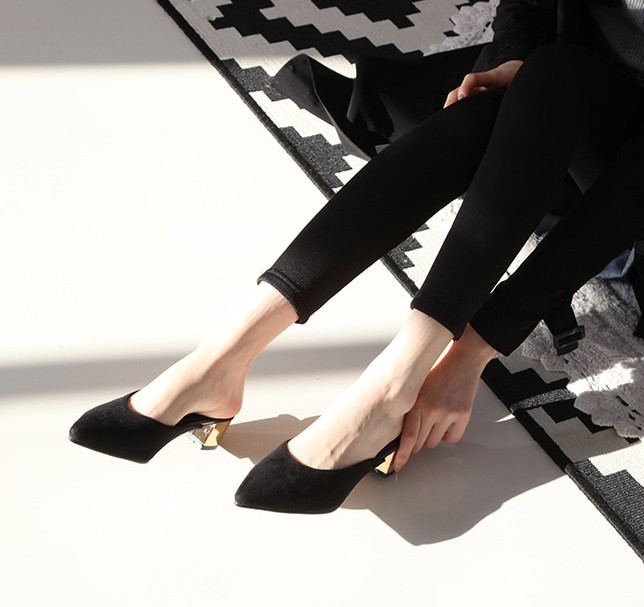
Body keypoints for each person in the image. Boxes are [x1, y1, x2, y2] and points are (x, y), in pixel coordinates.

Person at [69, 0, 644, 514]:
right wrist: (517, 58)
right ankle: (222, 356)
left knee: (549, 83)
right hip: (585, 87)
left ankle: (392, 383)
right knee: (548, 74)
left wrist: (470, 355)